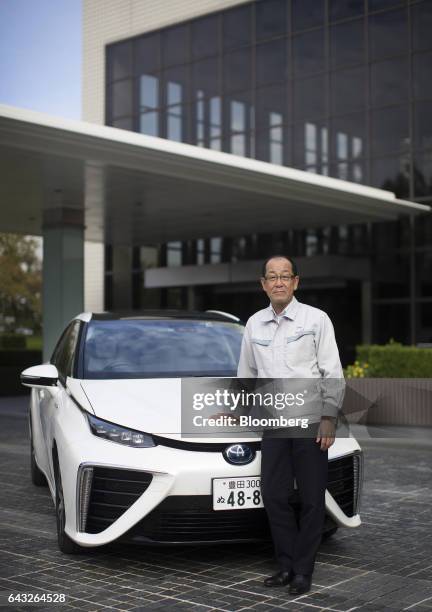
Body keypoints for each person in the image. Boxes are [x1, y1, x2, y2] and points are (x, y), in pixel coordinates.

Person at [237, 255, 344, 596]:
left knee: (312, 499)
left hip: (311, 422)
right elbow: (246, 376)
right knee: (273, 495)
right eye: (272, 276)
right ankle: (285, 565)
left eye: (285, 276)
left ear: (296, 282)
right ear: (263, 284)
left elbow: (333, 372)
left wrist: (328, 418)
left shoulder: (317, 320)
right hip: (274, 424)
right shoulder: (254, 324)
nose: (279, 282)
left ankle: (302, 571)